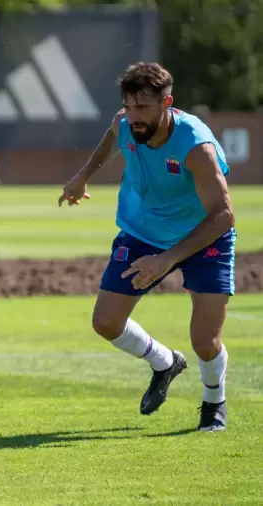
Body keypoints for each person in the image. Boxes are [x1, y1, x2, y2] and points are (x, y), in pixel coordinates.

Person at [58, 62, 234, 432]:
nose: (133, 117)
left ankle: (214, 401)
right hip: (143, 231)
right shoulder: (125, 123)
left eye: (143, 109)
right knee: (105, 323)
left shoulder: (194, 145)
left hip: (204, 235)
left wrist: (166, 260)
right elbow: (111, 139)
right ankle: (164, 362)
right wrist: (81, 177)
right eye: (129, 106)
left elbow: (223, 216)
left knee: (205, 341)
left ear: (167, 103)